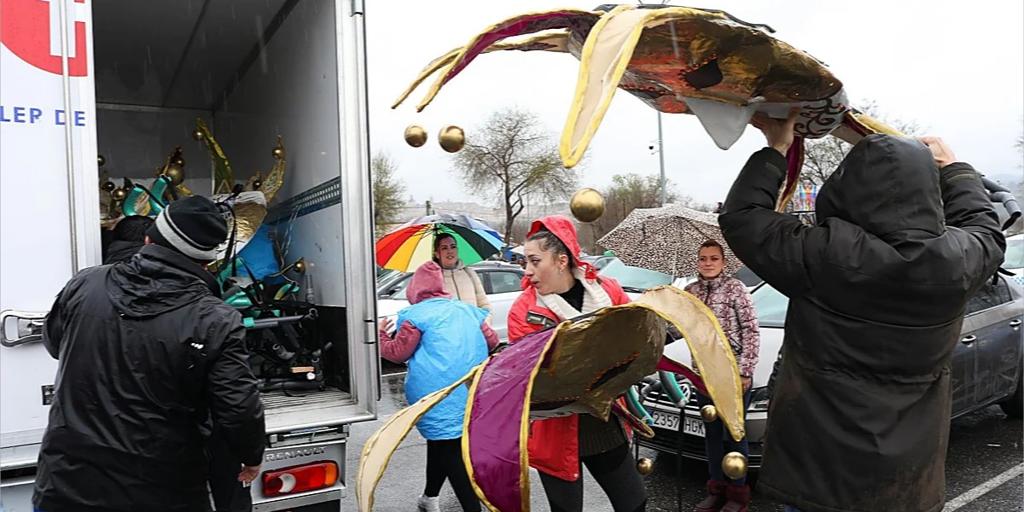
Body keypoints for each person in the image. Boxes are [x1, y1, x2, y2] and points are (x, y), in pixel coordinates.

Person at [718, 110, 1005, 512]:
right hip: (909, 486)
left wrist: (778, 146)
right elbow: (987, 229)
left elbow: (743, 217)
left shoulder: (821, 254)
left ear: (845, 187)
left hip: (814, 479)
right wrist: (955, 170)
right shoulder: (956, 263)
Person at [34, 196, 266, 512]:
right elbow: (238, 408)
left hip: (65, 487)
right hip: (162, 493)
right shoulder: (217, 320)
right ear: (209, 262)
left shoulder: (85, 283)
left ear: (147, 239)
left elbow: (55, 345)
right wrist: (251, 456)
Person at [506, 215, 647, 512]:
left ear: (560, 260)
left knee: (634, 503)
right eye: (526, 262)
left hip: (604, 421)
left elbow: (634, 338)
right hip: (553, 432)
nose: (528, 271)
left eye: (534, 261)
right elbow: (532, 378)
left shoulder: (607, 290)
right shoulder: (524, 309)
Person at [378, 260, 499, 512]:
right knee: (442, 443)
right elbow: (492, 340)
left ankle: (471, 508)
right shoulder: (467, 310)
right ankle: (429, 497)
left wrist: (380, 335)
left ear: (415, 289)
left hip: (434, 395)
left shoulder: (414, 316)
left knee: (450, 449)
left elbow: (398, 353)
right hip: (470, 389)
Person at [684, 239, 759, 512]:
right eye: (703, 258)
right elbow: (679, 328)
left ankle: (738, 495)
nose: (707, 263)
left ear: (723, 262)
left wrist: (745, 370)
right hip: (703, 376)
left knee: (735, 435)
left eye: (713, 258)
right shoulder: (690, 291)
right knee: (712, 435)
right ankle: (716, 488)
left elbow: (751, 330)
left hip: (732, 374)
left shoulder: (735, 289)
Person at [433, 233, 492, 315]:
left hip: (474, 326)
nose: (450, 251)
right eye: (444, 248)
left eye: (453, 247)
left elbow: (484, 304)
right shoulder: (432, 279)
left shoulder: (469, 273)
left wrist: (485, 322)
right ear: (437, 254)